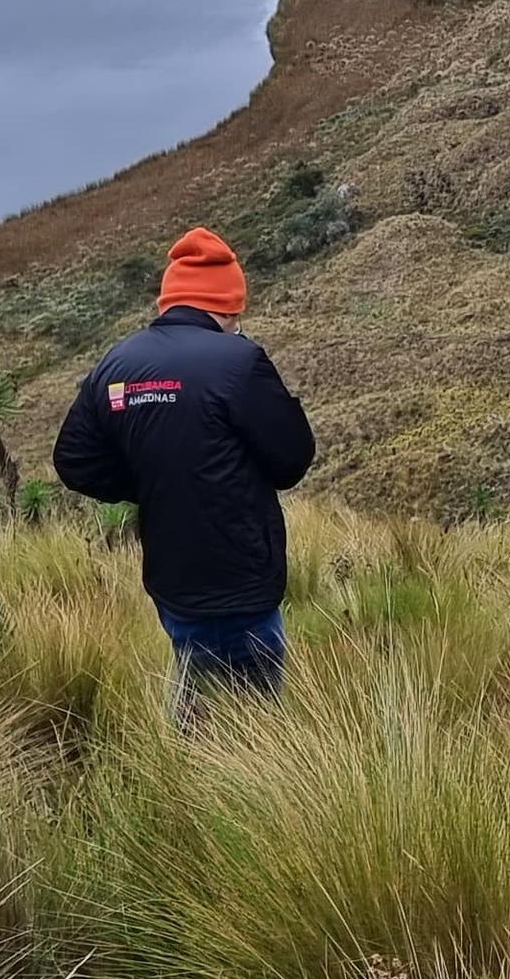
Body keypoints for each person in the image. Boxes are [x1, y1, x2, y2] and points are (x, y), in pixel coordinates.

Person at [54, 227, 316, 717]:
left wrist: (154, 479)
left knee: (195, 674)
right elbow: (292, 460)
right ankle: (214, 786)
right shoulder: (240, 360)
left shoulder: (117, 362)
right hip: (239, 574)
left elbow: (74, 461)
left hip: (170, 577)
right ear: (228, 307)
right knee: (251, 721)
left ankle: (182, 771)